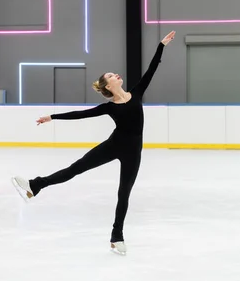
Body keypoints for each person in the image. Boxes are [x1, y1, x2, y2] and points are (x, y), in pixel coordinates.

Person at [12, 31, 176, 254]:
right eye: (112, 75)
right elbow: (80, 114)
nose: (116, 75)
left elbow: (152, 70)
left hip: (133, 152)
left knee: (124, 193)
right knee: (75, 169)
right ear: (108, 86)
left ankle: (116, 237)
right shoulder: (109, 107)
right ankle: (35, 185)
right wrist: (52, 117)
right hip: (114, 145)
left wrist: (161, 45)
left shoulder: (137, 93)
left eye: (114, 73)